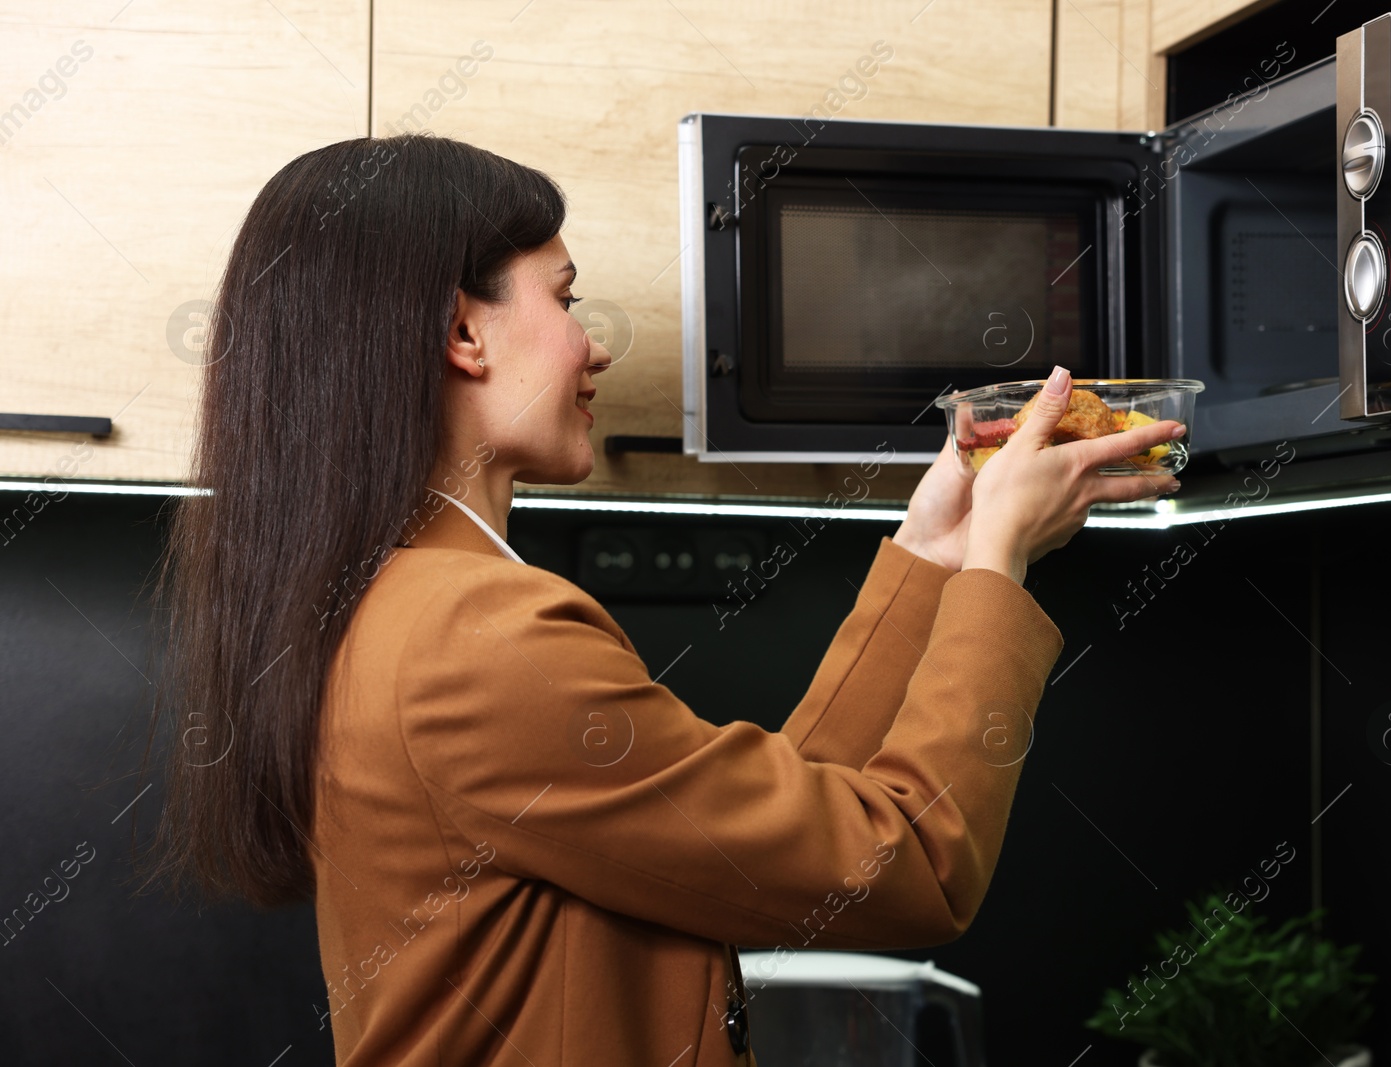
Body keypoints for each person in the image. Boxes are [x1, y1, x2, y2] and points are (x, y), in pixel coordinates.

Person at [138, 134, 1182, 1066]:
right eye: (564, 296)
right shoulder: (480, 635)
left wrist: (936, 546)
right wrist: (1000, 562)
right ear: (463, 329)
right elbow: (906, 867)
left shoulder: (398, 604)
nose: (594, 343)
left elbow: (779, 839)